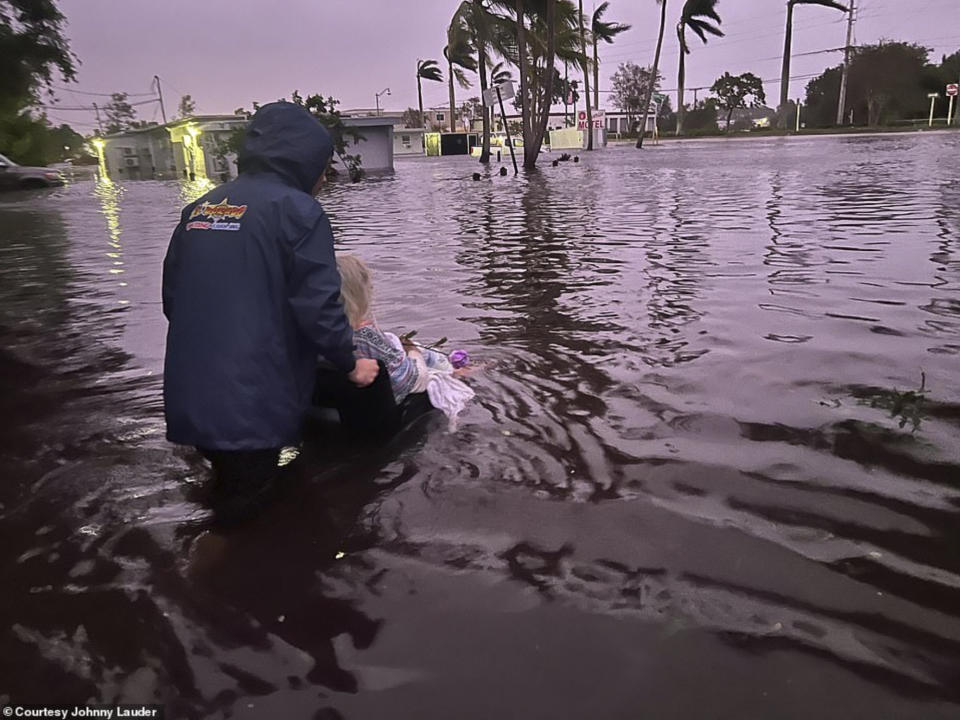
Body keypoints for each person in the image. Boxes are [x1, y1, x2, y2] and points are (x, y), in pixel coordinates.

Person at [162, 102, 379, 523]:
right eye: (322, 168)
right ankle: (204, 571)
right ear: (304, 162)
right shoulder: (298, 211)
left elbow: (173, 300)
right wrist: (349, 362)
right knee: (244, 514)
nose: (323, 179)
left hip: (191, 396)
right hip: (249, 405)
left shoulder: (200, 209)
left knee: (230, 484)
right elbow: (319, 304)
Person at [336, 254, 474, 429]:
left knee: (407, 348)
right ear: (360, 293)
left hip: (335, 406)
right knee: (424, 361)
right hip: (378, 411)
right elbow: (416, 379)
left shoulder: (315, 336)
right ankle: (459, 372)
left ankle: (458, 369)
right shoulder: (365, 336)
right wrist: (412, 350)